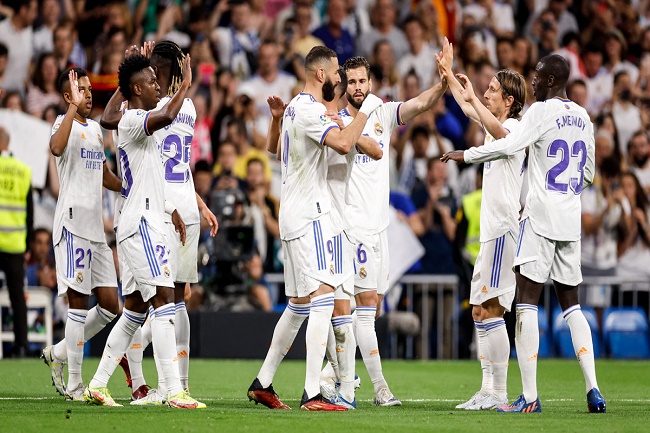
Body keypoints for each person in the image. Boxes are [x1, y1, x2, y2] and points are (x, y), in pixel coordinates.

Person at [442, 54, 606, 414]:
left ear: (551, 80)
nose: (533, 82)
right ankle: (593, 389)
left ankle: (527, 396)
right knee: (572, 307)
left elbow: (508, 142)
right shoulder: (583, 117)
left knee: (526, 303)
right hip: (569, 220)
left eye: (538, 77)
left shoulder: (537, 113)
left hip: (537, 218)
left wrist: (467, 155)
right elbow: (588, 174)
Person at [247, 46, 384, 411]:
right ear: (321, 74)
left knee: (298, 305)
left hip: (293, 213)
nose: (340, 78)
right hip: (311, 215)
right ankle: (313, 393)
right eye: (337, 72)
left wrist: (276, 119)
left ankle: (263, 382)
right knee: (324, 297)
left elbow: (275, 149)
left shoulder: (294, 107)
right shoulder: (309, 110)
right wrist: (366, 110)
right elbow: (343, 143)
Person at [83, 51, 204, 409]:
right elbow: (166, 114)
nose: (158, 87)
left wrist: (171, 209)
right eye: (151, 82)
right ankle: (173, 391)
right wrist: (185, 85)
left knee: (135, 309)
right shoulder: (135, 119)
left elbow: (146, 174)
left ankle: (97, 385)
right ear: (137, 89)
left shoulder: (129, 118)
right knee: (165, 300)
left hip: (143, 217)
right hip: (142, 225)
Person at [341, 54, 447, 407]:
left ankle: (333, 375)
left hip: (380, 228)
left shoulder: (383, 113)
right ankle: (379, 387)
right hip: (355, 228)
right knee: (364, 308)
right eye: (352, 81)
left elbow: (420, 103)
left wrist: (443, 82)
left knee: (374, 309)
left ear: (370, 83)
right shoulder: (338, 122)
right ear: (345, 85)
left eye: (362, 81)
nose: (358, 87)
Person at [437, 38, 527, 410]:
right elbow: (466, 104)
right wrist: (447, 73)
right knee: (480, 311)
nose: (485, 94)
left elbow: (501, 135)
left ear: (509, 100)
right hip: (491, 233)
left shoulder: (517, 127)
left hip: (503, 230)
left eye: (492, 90)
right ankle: (487, 389)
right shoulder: (494, 126)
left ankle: (498, 393)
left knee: (492, 310)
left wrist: (467, 154)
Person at [40, 67, 122, 401]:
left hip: (95, 228)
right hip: (72, 224)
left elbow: (104, 174)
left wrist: (128, 186)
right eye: (81, 90)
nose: (88, 94)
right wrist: (72, 108)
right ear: (67, 96)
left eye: (89, 90)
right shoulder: (63, 123)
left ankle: (58, 353)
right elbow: (55, 148)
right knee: (78, 302)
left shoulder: (96, 129)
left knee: (110, 306)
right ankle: (75, 384)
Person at [0, 126, 32, 358]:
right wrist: (28, 245)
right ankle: (22, 345)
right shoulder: (24, 171)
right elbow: (30, 214)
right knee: (17, 297)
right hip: (16, 243)